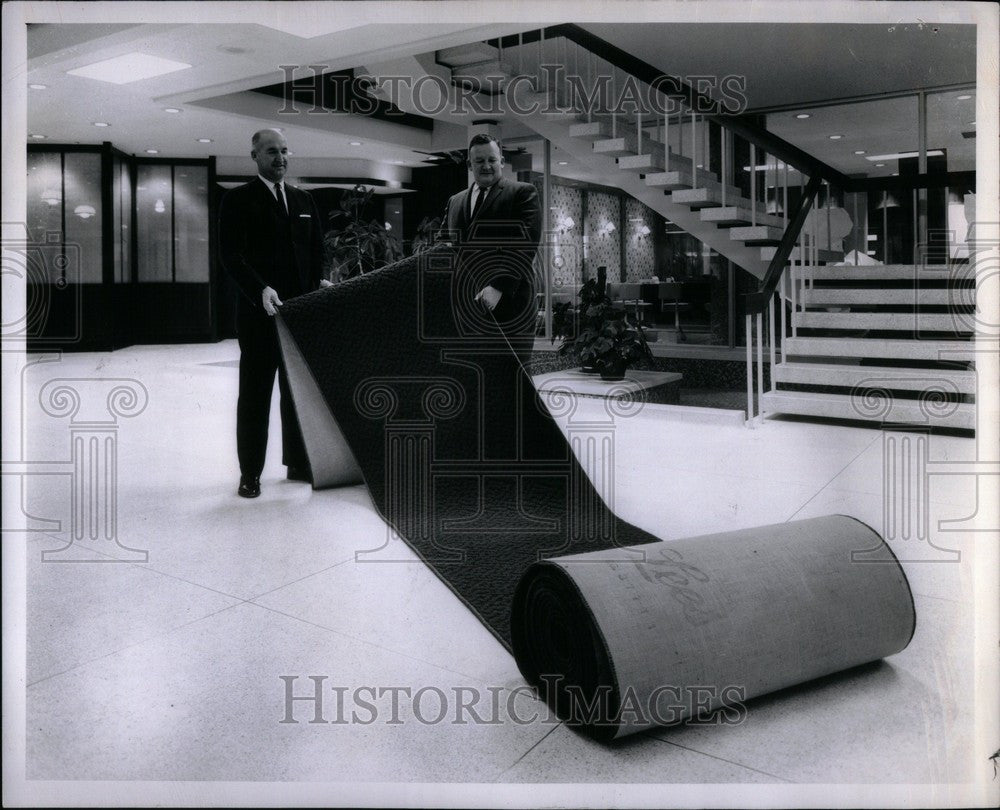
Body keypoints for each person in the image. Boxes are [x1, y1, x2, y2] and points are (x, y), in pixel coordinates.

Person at [218, 128, 330, 498]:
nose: (279, 158)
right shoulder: (237, 201)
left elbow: (315, 252)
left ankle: (297, 463)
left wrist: (319, 284)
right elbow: (231, 256)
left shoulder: (303, 200)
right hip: (258, 317)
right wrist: (259, 288)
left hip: (300, 315)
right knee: (255, 397)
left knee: (296, 393)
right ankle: (250, 474)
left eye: (283, 151)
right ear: (255, 156)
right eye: (271, 152)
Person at [439, 133, 541, 334]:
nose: (486, 166)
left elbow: (525, 244)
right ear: (469, 164)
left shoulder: (523, 193)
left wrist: (498, 286)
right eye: (479, 161)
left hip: (511, 303)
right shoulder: (454, 201)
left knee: (511, 366)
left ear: (501, 161)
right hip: (465, 308)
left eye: (492, 160)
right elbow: (443, 246)